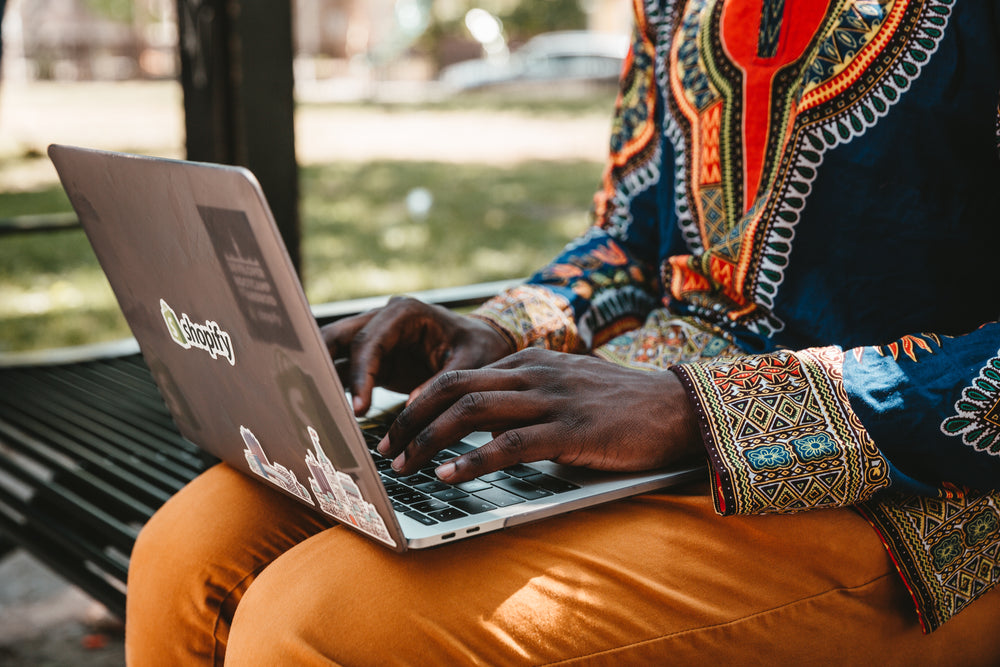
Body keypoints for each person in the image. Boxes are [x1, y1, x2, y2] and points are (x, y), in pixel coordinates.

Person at [125, 1, 1000, 664]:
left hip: (918, 500)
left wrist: (700, 412)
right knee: (184, 552)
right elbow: (633, 235)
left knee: (311, 625)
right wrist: (497, 331)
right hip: (637, 416)